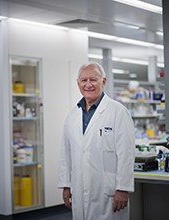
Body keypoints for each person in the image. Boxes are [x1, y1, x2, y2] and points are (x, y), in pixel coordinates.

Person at [57, 61, 135, 220]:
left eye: (93, 79)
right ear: (78, 83)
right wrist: (66, 185)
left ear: (103, 82)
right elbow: (66, 153)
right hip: (78, 188)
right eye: (84, 80)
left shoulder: (118, 111)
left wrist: (123, 188)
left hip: (108, 191)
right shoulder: (72, 115)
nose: (88, 85)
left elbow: (126, 153)